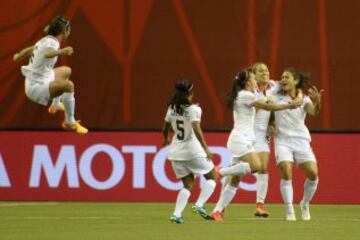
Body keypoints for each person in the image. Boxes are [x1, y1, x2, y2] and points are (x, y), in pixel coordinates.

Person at [210, 68, 302, 221]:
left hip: (246, 139)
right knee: (257, 166)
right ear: (247, 83)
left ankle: (217, 211)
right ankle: (220, 171)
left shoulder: (249, 93)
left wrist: (272, 115)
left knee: (235, 179)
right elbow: (268, 106)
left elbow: (272, 99)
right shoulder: (246, 95)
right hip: (240, 139)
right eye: (253, 80)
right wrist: (289, 106)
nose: (255, 83)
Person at [13, 15, 88, 134]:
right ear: (64, 31)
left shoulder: (46, 39)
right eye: (69, 30)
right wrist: (63, 51)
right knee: (69, 86)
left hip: (41, 78)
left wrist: (19, 55)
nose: (70, 32)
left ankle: (56, 104)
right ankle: (70, 122)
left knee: (66, 70)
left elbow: (31, 49)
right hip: (36, 88)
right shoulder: (53, 43)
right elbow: (48, 53)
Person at [162, 78, 217, 224]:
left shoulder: (171, 109)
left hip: (175, 153)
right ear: (191, 93)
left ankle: (177, 214)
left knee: (188, 185)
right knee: (212, 177)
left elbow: (165, 127)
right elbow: (196, 129)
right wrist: (205, 147)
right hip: (192, 151)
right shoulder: (194, 109)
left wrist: (166, 138)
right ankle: (199, 205)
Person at [272, 68, 322, 221]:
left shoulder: (304, 99)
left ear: (295, 81)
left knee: (313, 174)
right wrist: (270, 125)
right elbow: (267, 111)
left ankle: (305, 204)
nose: (283, 80)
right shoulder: (275, 97)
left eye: (286, 77)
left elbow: (315, 112)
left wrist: (318, 101)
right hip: (282, 140)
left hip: (301, 140)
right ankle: (289, 209)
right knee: (286, 171)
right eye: (282, 77)